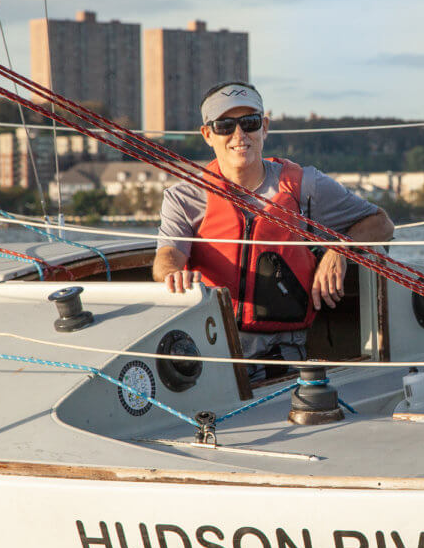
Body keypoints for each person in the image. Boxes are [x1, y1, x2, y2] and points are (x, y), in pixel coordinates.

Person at [153, 81, 394, 380]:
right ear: (207, 134)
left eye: (250, 123)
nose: (239, 135)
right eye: (225, 126)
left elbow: (381, 224)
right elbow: (166, 258)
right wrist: (172, 276)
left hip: (285, 358)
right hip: (211, 353)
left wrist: (339, 249)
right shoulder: (184, 198)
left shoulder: (305, 186)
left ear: (264, 127)